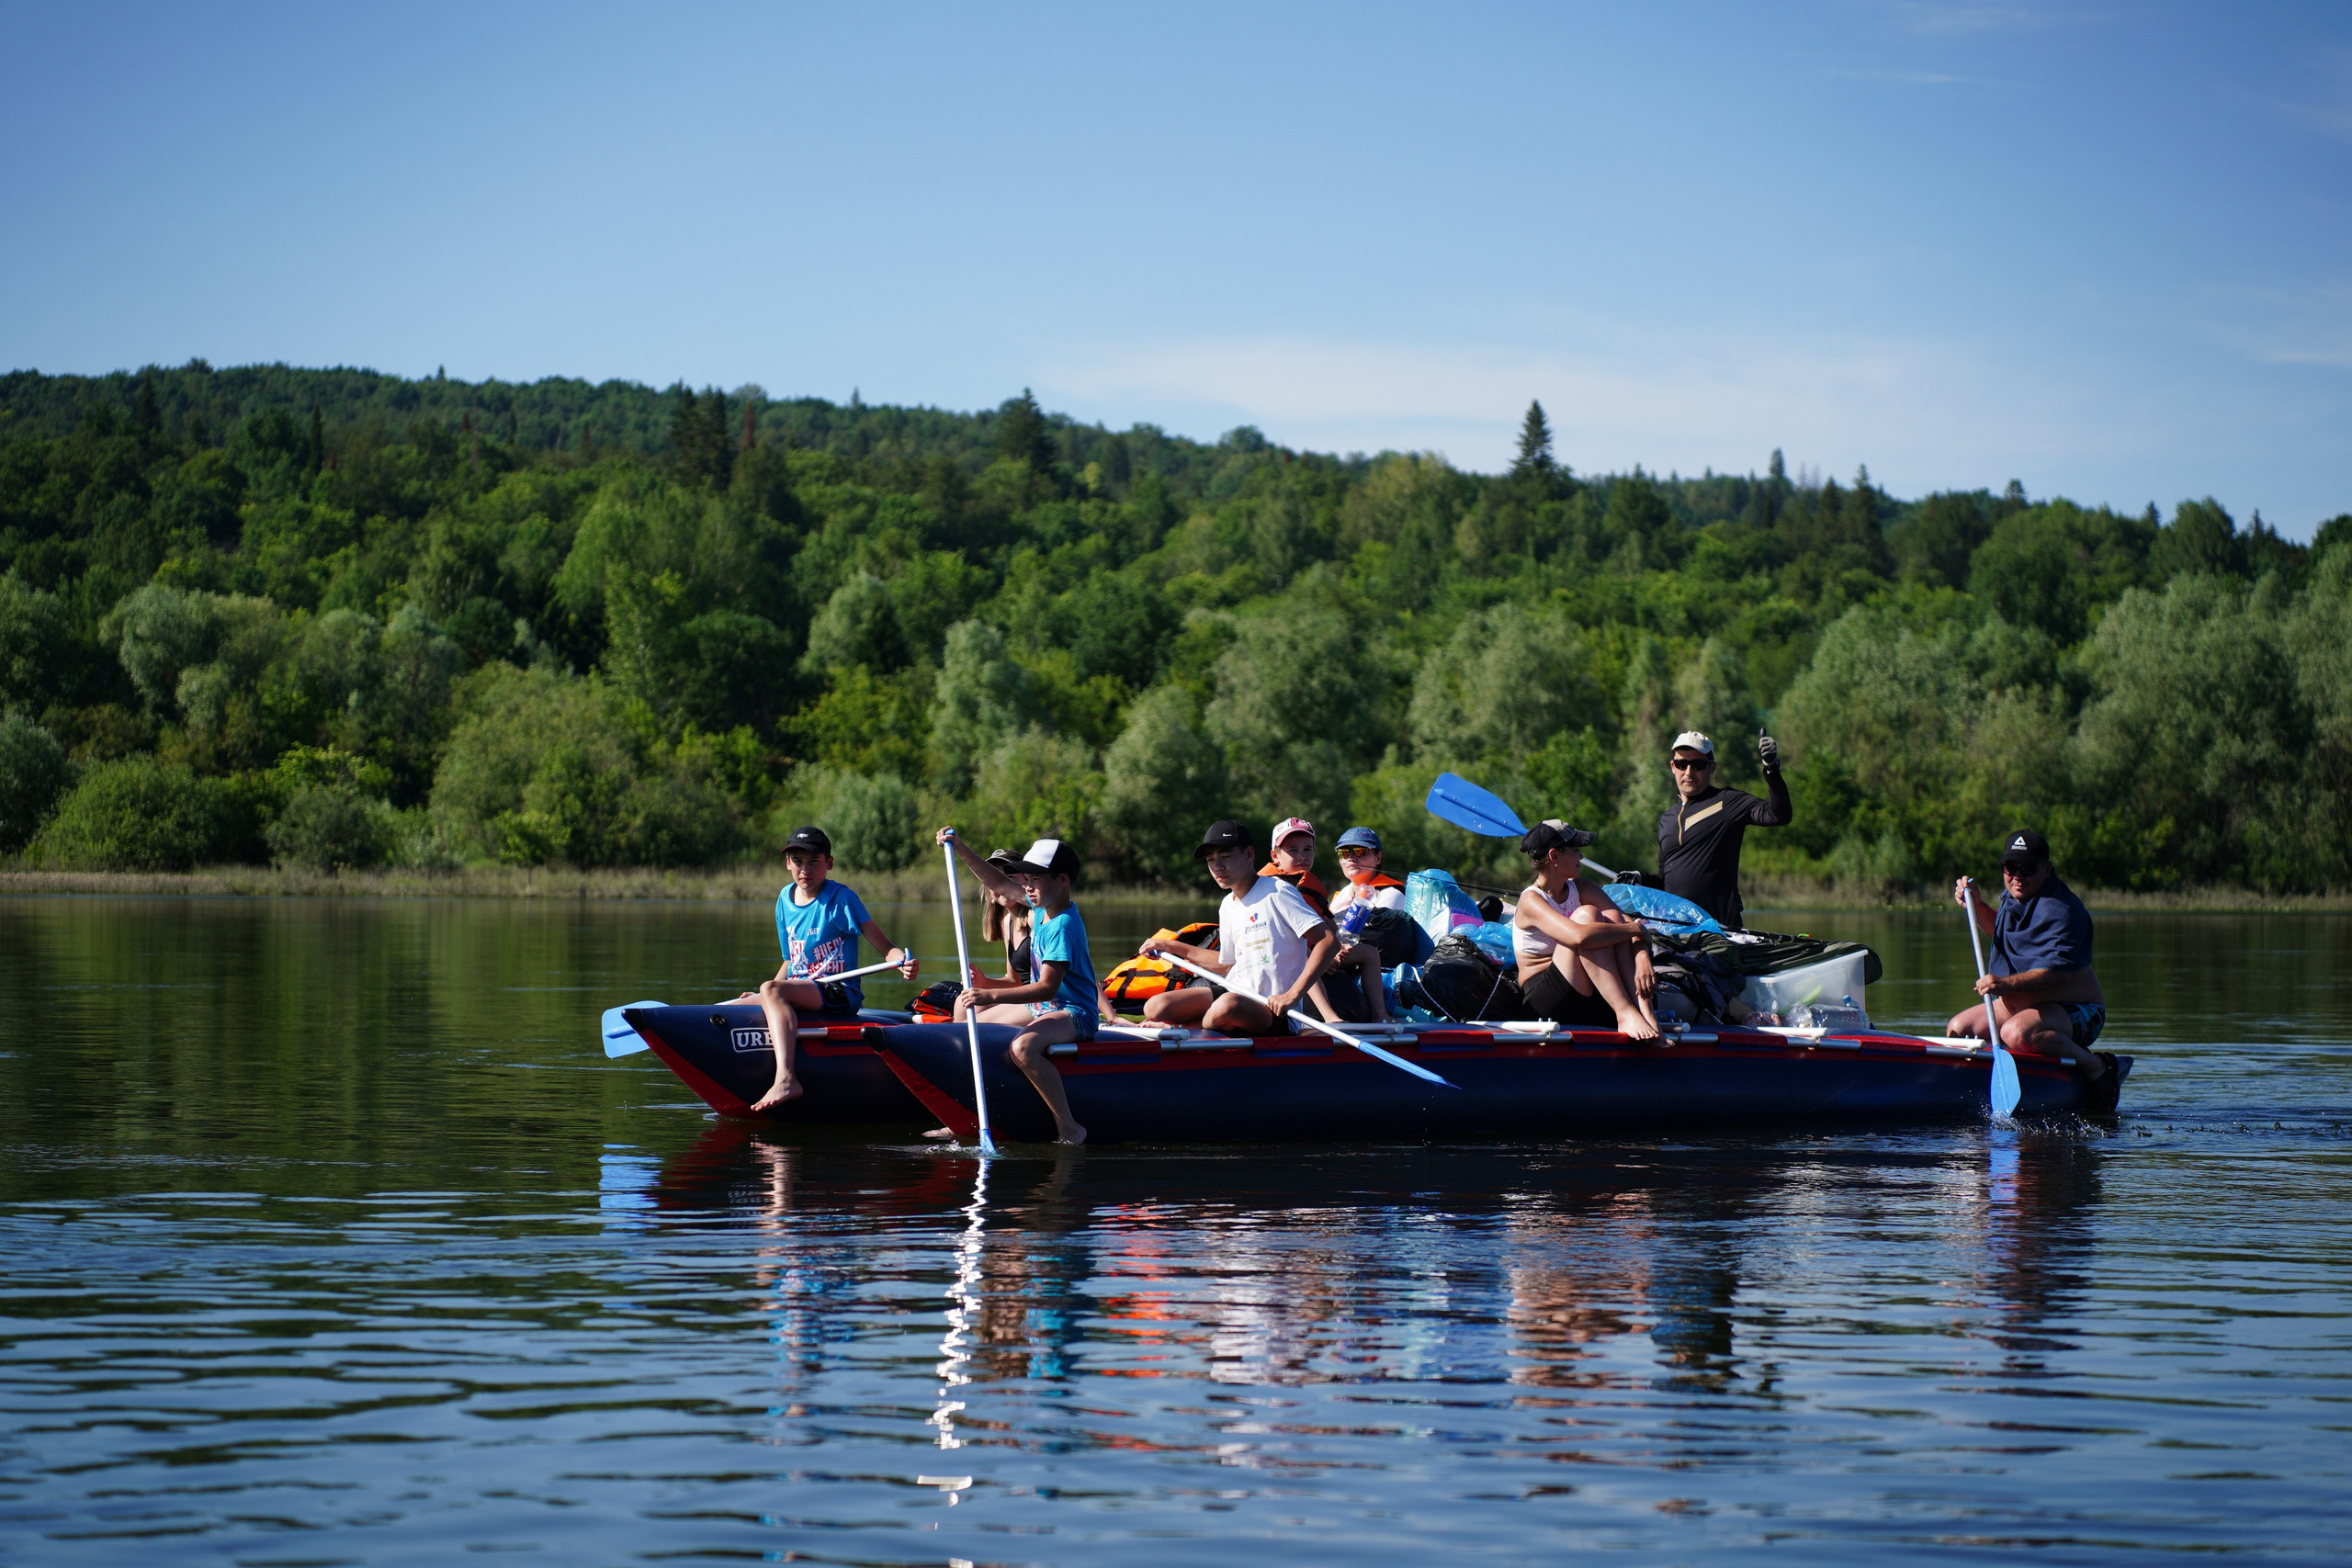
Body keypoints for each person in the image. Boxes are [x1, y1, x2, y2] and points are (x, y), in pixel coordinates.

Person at [936, 829, 1101, 1144]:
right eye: (1026, 879)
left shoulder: (1063, 925)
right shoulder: (1040, 907)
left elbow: (1046, 989)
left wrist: (990, 994)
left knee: (1022, 1048)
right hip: (1041, 1008)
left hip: (1074, 1012)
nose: (1027, 886)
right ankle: (973, 1116)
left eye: (1035, 879)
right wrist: (959, 847)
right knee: (968, 1032)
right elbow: (996, 882)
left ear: (1062, 880)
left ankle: (1068, 1126)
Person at [741, 825, 918, 1111]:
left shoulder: (841, 899)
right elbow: (791, 960)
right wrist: (765, 997)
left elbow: (887, 948)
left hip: (837, 991)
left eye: (814, 862)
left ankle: (786, 1078)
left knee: (770, 991)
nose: (805, 870)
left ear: (829, 863)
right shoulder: (784, 900)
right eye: (797, 861)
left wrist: (902, 961)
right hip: (802, 987)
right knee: (745, 1002)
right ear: (787, 863)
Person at [1948, 829, 2120, 1106]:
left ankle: (2097, 1067)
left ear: (2047, 869)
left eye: (2027, 868)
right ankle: (2000, 1081)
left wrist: (2003, 985)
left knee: (2017, 1033)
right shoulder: (2015, 897)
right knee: (1959, 1030)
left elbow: (2053, 976)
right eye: (2010, 867)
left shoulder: (2064, 911)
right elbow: (2000, 931)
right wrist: (1976, 905)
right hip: (2019, 1008)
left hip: (2077, 1009)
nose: (2017, 876)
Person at [1141, 819, 1337, 1036]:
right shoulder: (1227, 905)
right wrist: (1171, 946)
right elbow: (1227, 966)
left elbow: (1328, 941)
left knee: (1227, 1006)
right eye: (1211, 860)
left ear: (1249, 854)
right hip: (1234, 991)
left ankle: (1184, 1028)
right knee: (1155, 1006)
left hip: (1271, 1007)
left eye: (1225, 857)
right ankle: (1190, 1025)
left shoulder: (1278, 891)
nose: (1217, 866)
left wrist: (1291, 996)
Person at [1513, 818, 1662, 1040]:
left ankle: (1645, 1014)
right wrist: (1636, 930)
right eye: (1575, 850)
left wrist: (1642, 958)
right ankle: (1624, 1013)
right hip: (1547, 1000)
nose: (1581, 857)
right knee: (1588, 916)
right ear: (1555, 856)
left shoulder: (1582, 887)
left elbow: (1626, 922)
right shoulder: (1531, 900)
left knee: (1611, 917)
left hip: (1591, 989)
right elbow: (1580, 936)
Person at [1656, 729, 1792, 931]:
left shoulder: (1727, 802)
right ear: (1673, 767)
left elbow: (1778, 815)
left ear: (1712, 768)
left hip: (1719, 932)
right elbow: (1664, 882)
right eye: (1682, 764)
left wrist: (1771, 768)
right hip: (1676, 932)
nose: (1689, 772)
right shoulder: (1667, 819)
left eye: (1698, 765)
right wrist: (1640, 878)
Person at [1328, 826, 1407, 916]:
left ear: (1378, 858)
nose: (1350, 858)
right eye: (1343, 853)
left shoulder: (1392, 893)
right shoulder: (1340, 896)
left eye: (1360, 852)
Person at [1261, 816, 1331, 913]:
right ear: (1275, 856)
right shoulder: (1267, 889)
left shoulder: (1311, 891)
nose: (1302, 856)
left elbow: (1330, 925)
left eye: (1307, 849)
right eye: (1293, 850)